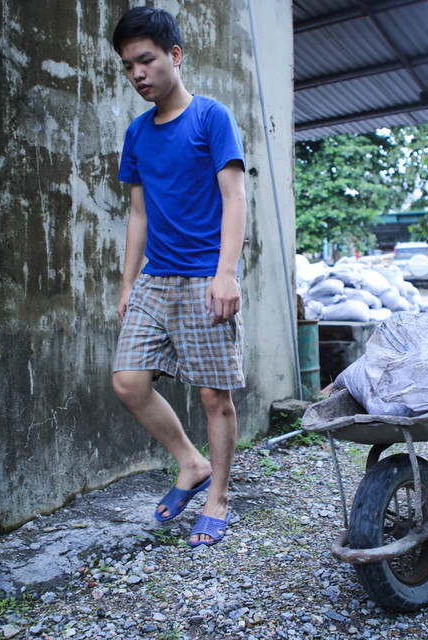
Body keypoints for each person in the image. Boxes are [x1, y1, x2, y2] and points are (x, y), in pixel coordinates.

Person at [110, 7, 247, 547]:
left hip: (205, 277)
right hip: (155, 280)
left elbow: (234, 195)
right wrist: (126, 284)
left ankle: (218, 496)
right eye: (127, 66)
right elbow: (138, 214)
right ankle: (190, 463)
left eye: (146, 60)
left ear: (174, 55)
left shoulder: (212, 118)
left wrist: (227, 274)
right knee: (128, 381)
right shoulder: (137, 134)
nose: (138, 74)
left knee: (215, 397)